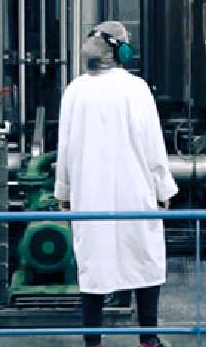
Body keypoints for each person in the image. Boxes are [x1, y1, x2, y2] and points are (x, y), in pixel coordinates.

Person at [57, 20, 178, 347]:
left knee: (93, 269)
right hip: (135, 190)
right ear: (122, 51)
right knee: (145, 262)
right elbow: (154, 143)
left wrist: (64, 192)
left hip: (89, 193)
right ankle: (148, 340)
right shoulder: (136, 89)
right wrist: (163, 186)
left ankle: (93, 343)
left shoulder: (74, 91)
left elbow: (64, 148)